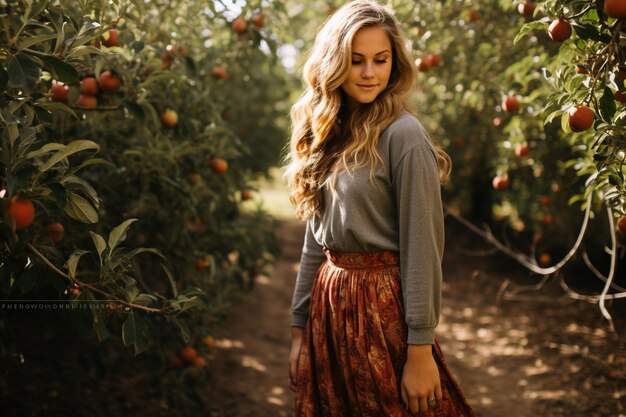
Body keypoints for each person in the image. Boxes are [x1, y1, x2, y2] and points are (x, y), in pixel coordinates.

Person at [283, 1, 477, 416]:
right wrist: (300, 327)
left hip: (382, 306)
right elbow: (315, 242)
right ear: (333, 64)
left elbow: (423, 245)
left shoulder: (404, 136)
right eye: (356, 61)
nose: (370, 73)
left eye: (380, 60)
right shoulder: (327, 134)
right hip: (329, 304)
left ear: (395, 63)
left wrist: (420, 346)